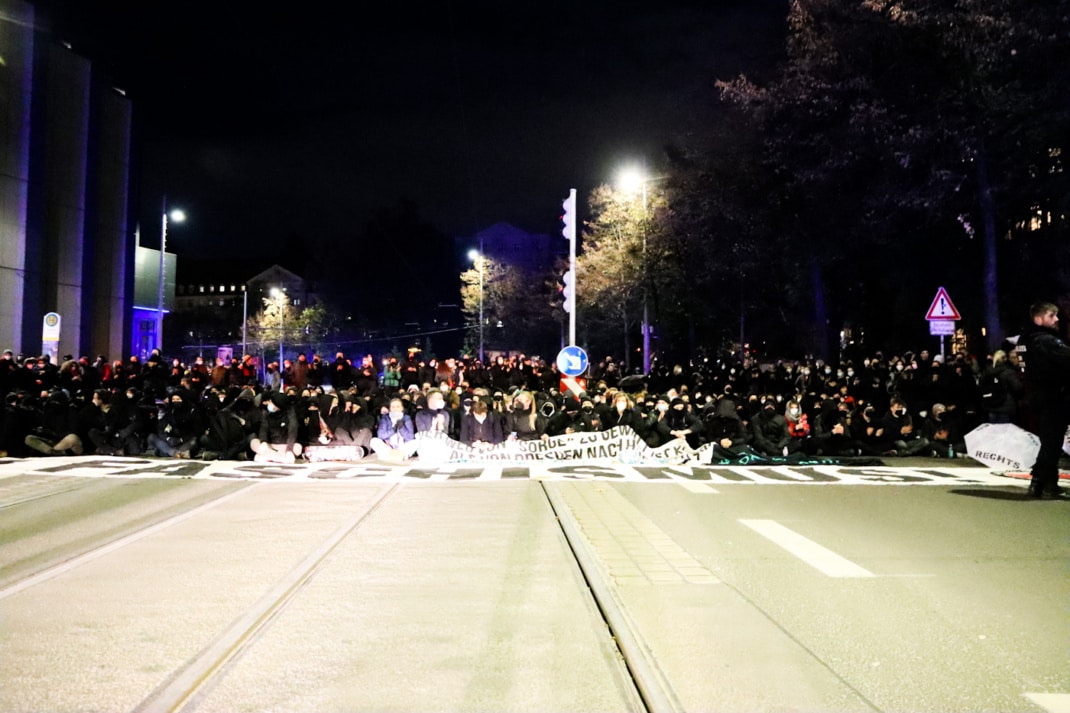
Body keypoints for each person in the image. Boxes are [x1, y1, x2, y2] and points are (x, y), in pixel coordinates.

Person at [1021, 302, 1070, 499]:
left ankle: (1048, 484)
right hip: (1053, 396)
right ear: (1039, 319)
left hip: (1037, 396)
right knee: (1052, 442)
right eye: (1052, 316)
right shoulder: (1045, 340)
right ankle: (1040, 481)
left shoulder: (1025, 339)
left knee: (1050, 441)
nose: (1056, 319)